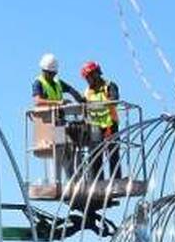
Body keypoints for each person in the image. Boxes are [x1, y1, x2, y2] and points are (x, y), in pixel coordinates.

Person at [31, 54, 86, 182]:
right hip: (49, 124)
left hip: (61, 122)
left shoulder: (57, 82)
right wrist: (59, 103)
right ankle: (59, 181)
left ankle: (74, 179)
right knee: (59, 151)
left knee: (71, 148)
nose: (51, 76)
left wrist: (82, 100)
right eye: (49, 73)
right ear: (43, 71)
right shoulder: (38, 83)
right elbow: (37, 101)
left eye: (53, 73)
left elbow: (71, 90)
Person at [81, 61, 121, 180]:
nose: (88, 80)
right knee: (95, 155)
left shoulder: (109, 86)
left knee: (113, 153)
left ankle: (115, 179)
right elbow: (84, 107)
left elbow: (114, 100)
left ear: (96, 74)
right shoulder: (87, 91)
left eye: (89, 77)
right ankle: (98, 181)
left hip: (110, 124)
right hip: (95, 126)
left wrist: (101, 103)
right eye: (86, 78)